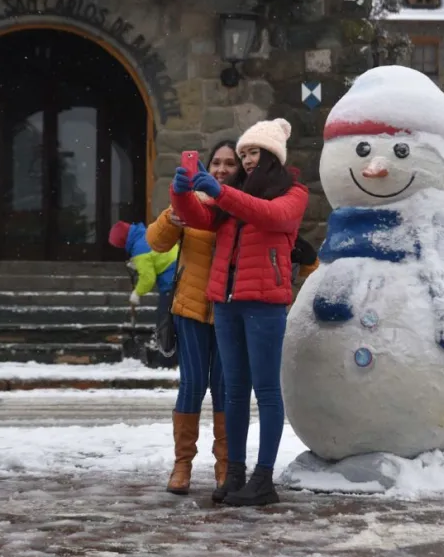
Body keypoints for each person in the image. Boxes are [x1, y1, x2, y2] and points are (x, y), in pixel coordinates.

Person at [170, 118, 309, 507]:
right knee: (232, 392)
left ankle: (263, 478)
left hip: (264, 303)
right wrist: (181, 193)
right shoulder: (235, 194)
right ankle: (235, 473)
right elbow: (200, 218)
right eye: (243, 153)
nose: (247, 160)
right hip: (226, 302)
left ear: (272, 156)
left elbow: (270, 216)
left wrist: (222, 193)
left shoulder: (293, 193)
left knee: (265, 390)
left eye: (253, 153)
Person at [145, 140, 246, 496]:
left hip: (230, 311)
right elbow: (155, 242)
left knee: (224, 389)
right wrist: (170, 217)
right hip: (189, 308)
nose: (221, 169)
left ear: (240, 169)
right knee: (191, 385)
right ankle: (182, 465)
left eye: (229, 163)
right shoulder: (193, 201)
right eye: (215, 162)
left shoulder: (243, 205)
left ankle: (224, 467)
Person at [108, 219, 179, 333]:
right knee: (172, 321)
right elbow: (154, 256)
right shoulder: (145, 233)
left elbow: (148, 279)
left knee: (165, 321)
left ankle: (165, 348)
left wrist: (137, 293)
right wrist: (139, 264)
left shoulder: (139, 250)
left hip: (171, 282)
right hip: (179, 272)